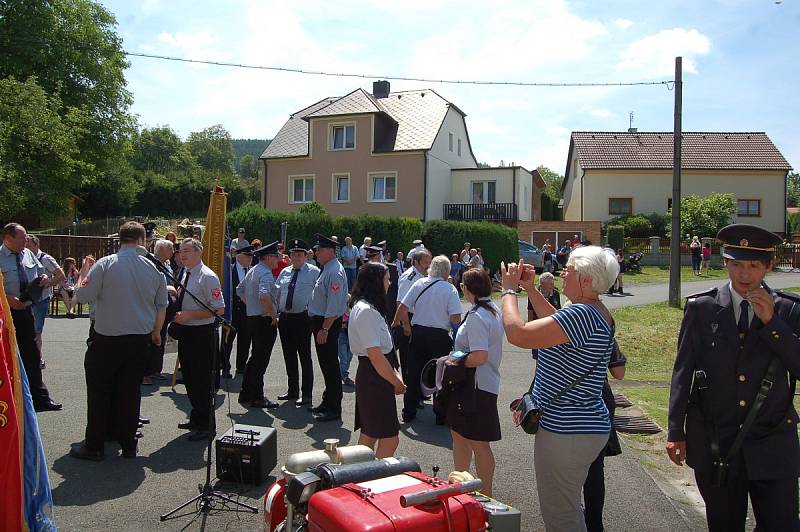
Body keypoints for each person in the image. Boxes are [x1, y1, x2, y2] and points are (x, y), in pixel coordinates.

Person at [666, 223, 800, 531]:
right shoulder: (703, 307)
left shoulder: (789, 311)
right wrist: (676, 430)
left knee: (782, 524)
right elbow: (682, 371)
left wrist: (772, 324)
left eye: (753, 266)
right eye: (736, 264)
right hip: (716, 440)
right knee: (724, 525)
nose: (744, 275)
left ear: (768, 266)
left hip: (773, 441)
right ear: (725, 263)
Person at [500, 246, 619, 531]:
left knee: (560, 516)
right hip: (586, 425)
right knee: (569, 508)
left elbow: (518, 334)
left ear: (587, 279)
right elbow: (556, 324)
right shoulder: (594, 312)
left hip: (566, 431)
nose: (563, 273)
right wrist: (530, 288)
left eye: (570, 270)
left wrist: (508, 292)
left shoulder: (581, 315)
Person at [70, 221, 168, 460]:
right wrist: (156, 332)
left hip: (107, 339)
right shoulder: (153, 268)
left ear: (120, 240)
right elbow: (161, 305)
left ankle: (95, 444)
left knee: (99, 391)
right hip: (139, 340)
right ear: (142, 241)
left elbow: (82, 296)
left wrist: (83, 274)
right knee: (130, 391)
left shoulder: (105, 264)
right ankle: (128, 442)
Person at [448, 268, 504, 496]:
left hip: (476, 386)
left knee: (478, 443)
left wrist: (452, 363)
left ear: (468, 289)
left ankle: (485, 495)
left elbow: (480, 356)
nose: (461, 288)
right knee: (459, 436)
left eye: (462, 284)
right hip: (477, 384)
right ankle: (461, 486)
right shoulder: (491, 309)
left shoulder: (478, 316)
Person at [394, 255, 462, 424]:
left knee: (414, 372)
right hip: (439, 336)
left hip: (418, 332)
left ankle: (408, 412)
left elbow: (402, 306)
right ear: (446, 272)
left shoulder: (419, 283)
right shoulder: (449, 289)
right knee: (440, 376)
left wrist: (396, 323)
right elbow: (455, 318)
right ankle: (441, 415)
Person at [0, 223, 61, 412]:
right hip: (4, 314)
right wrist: (8, 300)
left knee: (32, 356)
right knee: (5, 358)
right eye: (22, 237)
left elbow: (40, 272)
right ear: (8, 238)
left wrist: (43, 279)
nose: (26, 240)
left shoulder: (28, 253)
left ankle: (40, 399)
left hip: (25, 312)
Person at [350, 262, 406, 458]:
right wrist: (396, 381)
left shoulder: (369, 308)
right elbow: (375, 355)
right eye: (386, 278)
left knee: (369, 434)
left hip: (376, 375)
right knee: (390, 438)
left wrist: (396, 374)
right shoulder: (366, 311)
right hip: (375, 378)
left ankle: (356, 479)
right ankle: (374, 480)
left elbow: (385, 350)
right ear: (376, 282)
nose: (389, 283)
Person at [173, 238, 226, 442]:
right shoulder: (185, 273)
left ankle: (207, 425)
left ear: (199, 253)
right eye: (180, 251)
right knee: (190, 378)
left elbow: (218, 309)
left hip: (202, 333)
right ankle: (196, 418)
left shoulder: (208, 276)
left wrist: (191, 315)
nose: (182, 254)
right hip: (187, 333)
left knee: (202, 381)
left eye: (187, 251)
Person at [583, 341, 626, 532]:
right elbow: (619, 372)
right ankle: (594, 523)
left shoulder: (560, 328)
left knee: (566, 469)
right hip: (600, 400)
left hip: (567, 404)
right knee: (594, 469)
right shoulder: (603, 328)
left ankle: (572, 518)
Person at [307, 234, 349, 422]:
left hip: (327, 323)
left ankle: (334, 408)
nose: (316, 253)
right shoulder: (328, 269)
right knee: (326, 364)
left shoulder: (334, 272)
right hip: (322, 322)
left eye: (320, 250)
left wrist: (324, 329)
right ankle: (327, 400)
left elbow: (333, 305)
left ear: (331, 252)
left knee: (330, 365)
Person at [274, 239, 319, 406]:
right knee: (289, 355)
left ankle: (306, 394)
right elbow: (277, 293)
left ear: (306, 256)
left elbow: (320, 294)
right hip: (286, 318)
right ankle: (292, 390)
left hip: (303, 318)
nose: (296, 257)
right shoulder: (285, 272)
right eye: (293, 254)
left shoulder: (314, 272)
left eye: (299, 254)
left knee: (305, 356)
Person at [236, 242, 280, 410]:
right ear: (268, 258)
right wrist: (272, 314)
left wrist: (251, 305)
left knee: (255, 359)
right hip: (263, 321)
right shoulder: (265, 273)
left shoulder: (253, 270)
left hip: (253, 319)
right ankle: (257, 396)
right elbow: (263, 295)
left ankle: (247, 394)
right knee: (260, 361)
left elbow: (240, 290)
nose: (278, 259)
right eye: (276, 256)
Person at [392, 249, 432, 393]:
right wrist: (406, 325)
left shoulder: (422, 275)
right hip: (407, 319)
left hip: (417, 320)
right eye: (425, 262)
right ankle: (409, 391)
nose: (428, 265)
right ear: (416, 262)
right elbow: (401, 303)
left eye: (429, 262)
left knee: (415, 357)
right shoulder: (410, 276)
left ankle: (415, 391)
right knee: (408, 359)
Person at [24, 235, 65, 356]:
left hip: (41, 299)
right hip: (27, 298)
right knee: (26, 329)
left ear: (37, 245)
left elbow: (61, 275)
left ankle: (38, 356)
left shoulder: (45, 258)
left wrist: (48, 284)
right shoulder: (23, 257)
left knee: (37, 330)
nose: (26, 249)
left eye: (29, 246)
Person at [144, 239, 177, 384]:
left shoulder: (167, 264)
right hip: (154, 309)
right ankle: (147, 371)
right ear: (162, 249)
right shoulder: (151, 264)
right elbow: (151, 286)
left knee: (161, 338)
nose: (173, 251)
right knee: (152, 339)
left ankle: (156, 369)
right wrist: (167, 289)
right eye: (170, 248)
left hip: (165, 308)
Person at [225, 242, 253, 376]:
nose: (250, 259)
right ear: (239, 256)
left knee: (245, 339)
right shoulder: (229, 270)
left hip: (246, 310)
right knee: (227, 340)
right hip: (232, 310)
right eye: (248, 256)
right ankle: (225, 366)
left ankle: (241, 366)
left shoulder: (251, 271)